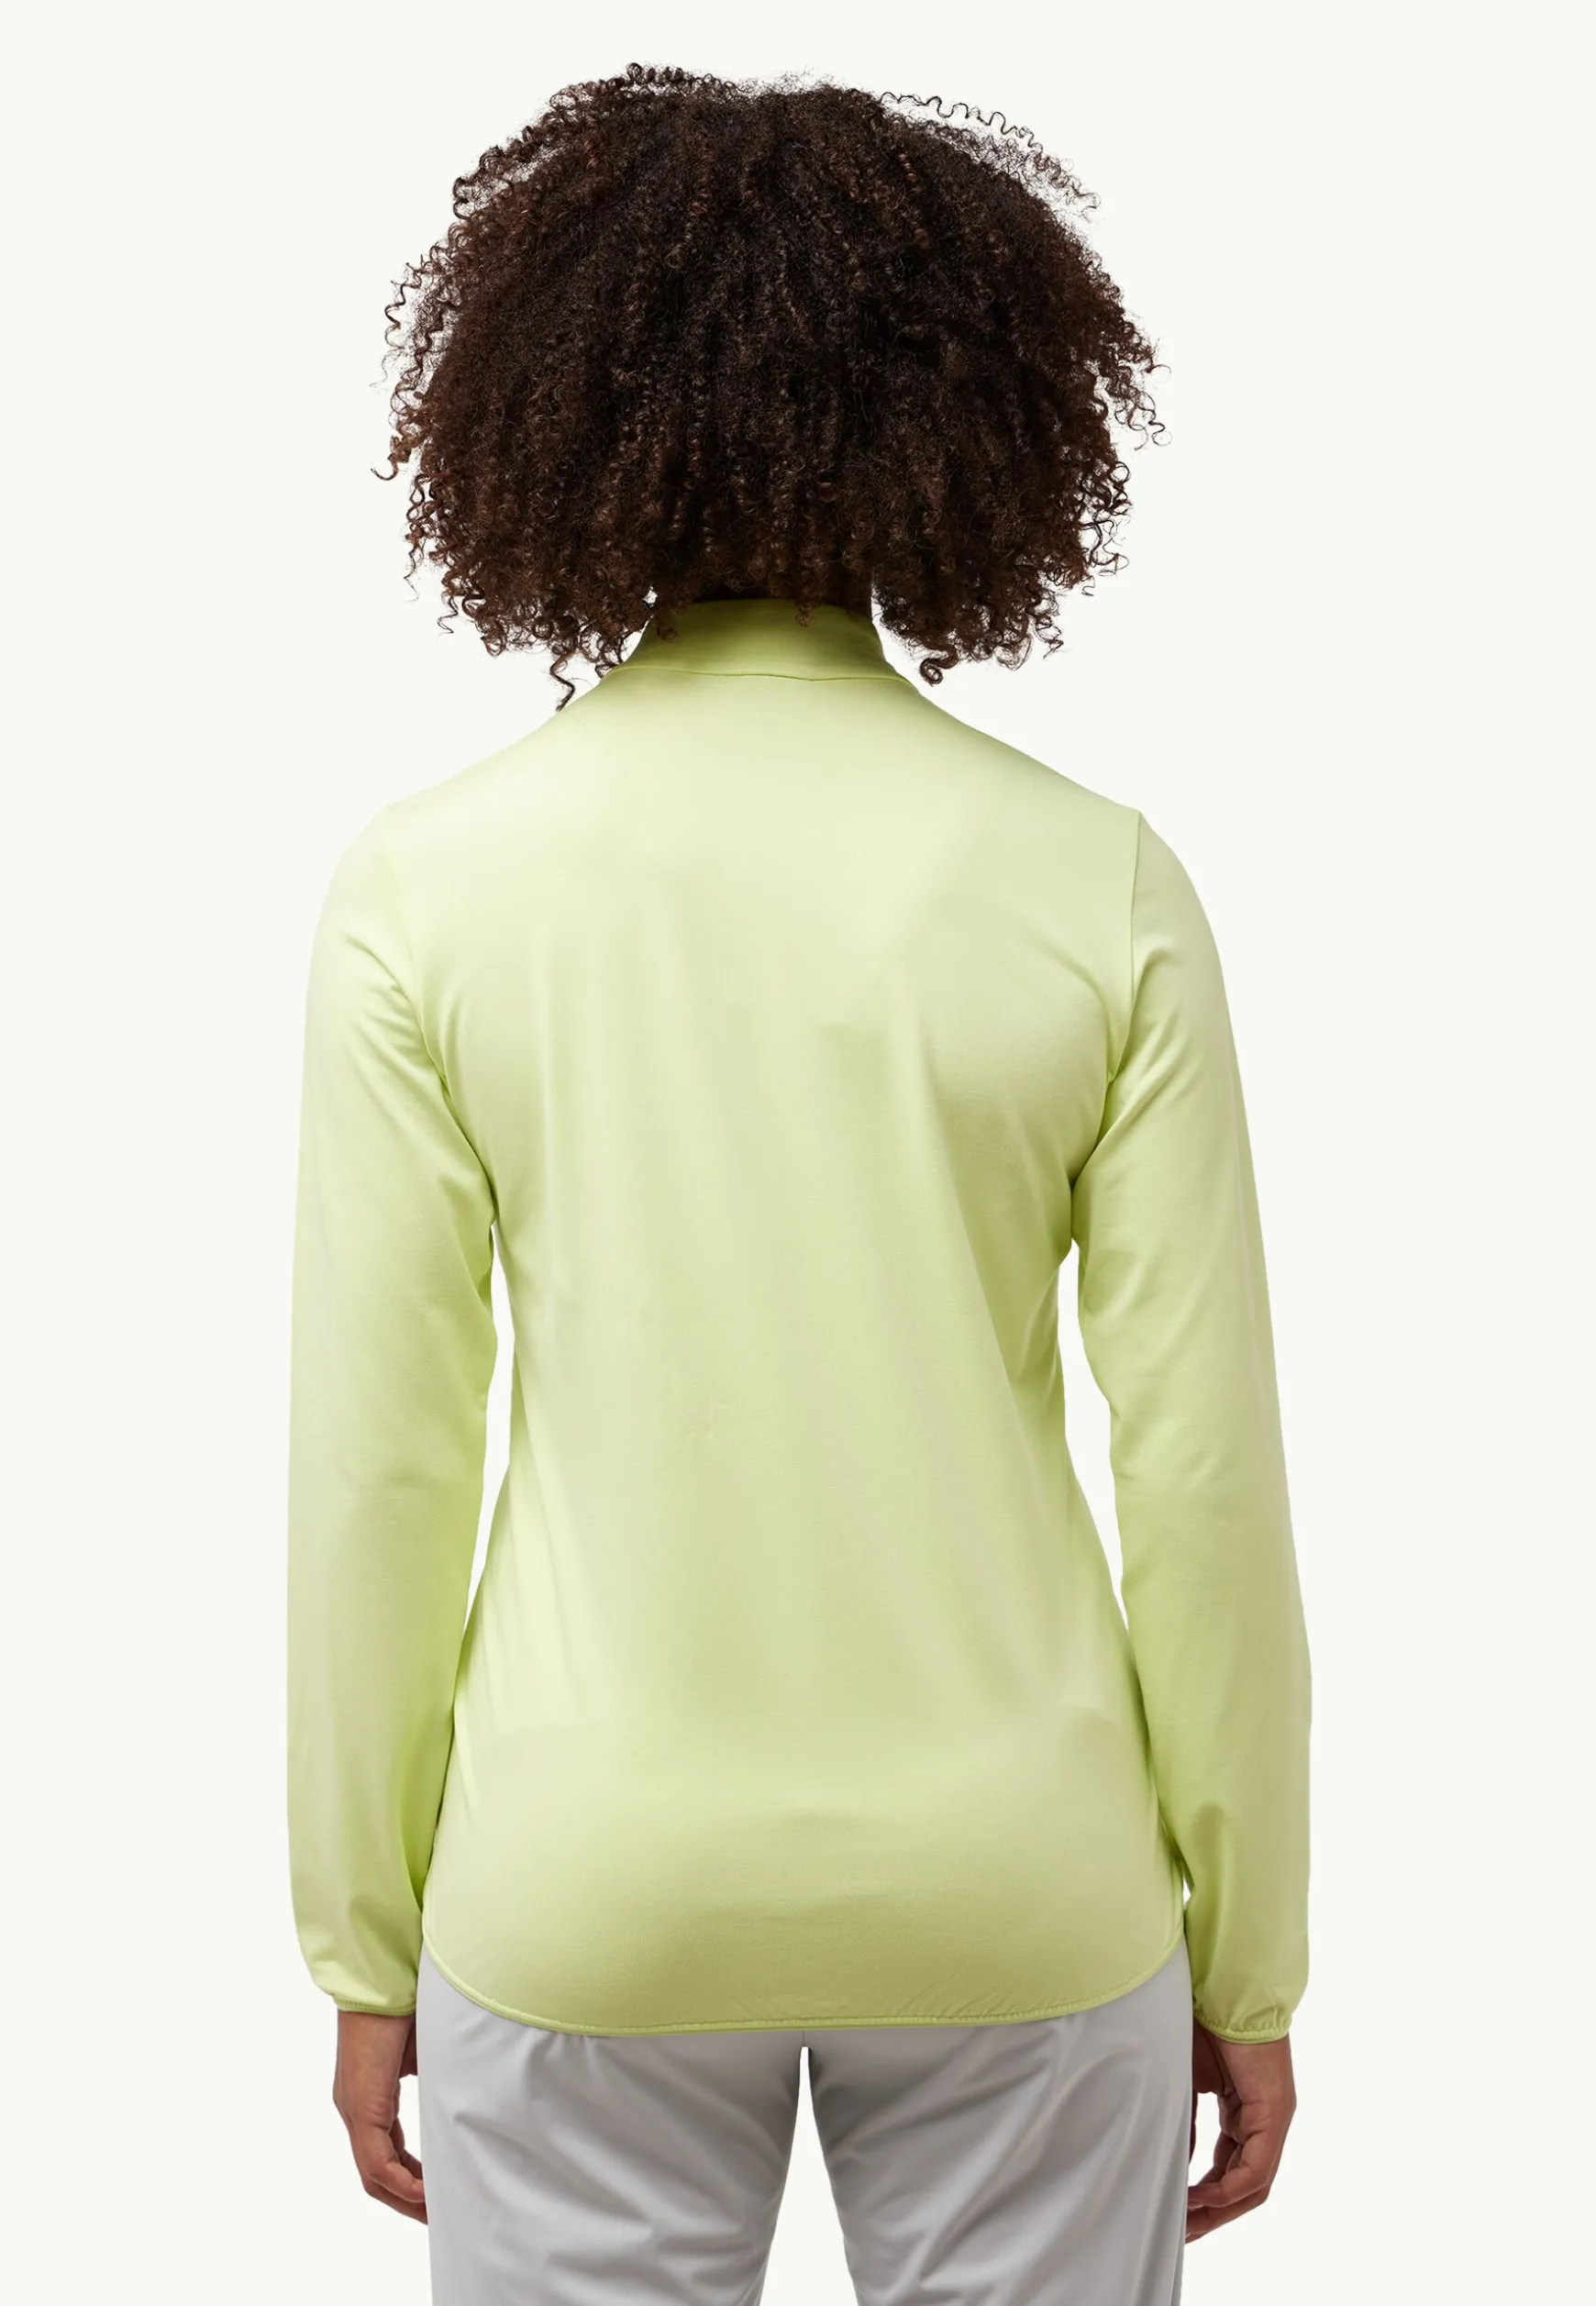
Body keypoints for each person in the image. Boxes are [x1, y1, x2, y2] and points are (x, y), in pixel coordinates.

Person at [287, 63, 1311, 2306]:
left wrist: (361, 1935)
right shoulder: (1098, 881)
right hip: (1022, 1892)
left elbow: (382, 1471)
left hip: (586, 1891)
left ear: (548, 418)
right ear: (974, 421)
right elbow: (1205, 1477)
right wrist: (1251, 1952)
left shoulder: (428, 886)